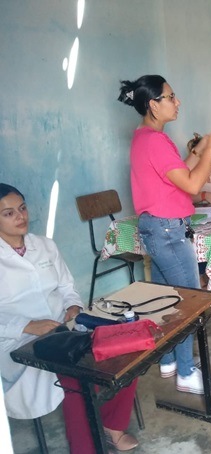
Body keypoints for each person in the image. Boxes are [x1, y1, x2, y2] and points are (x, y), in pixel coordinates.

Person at [0, 184, 138, 453]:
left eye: (22, 208)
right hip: (17, 342)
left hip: (63, 328)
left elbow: (66, 286)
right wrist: (28, 326)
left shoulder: (44, 245)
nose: (20, 216)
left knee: (124, 349)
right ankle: (84, 449)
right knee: (76, 377)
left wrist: (73, 306)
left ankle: (112, 425)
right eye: (8, 213)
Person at [118, 75, 211, 395]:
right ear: (153, 104)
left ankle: (169, 360)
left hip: (156, 229)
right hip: (167, 231)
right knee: (189, 302)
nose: (178, 102)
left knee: (168, 299)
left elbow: (178, 175)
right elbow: (192, 184)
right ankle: (187, 373)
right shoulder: (155, 141)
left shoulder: (144, 138)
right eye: (171, 97)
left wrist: (198, 151)